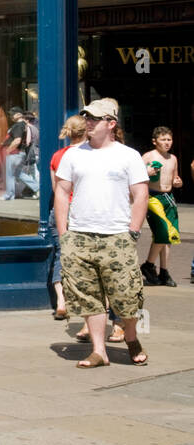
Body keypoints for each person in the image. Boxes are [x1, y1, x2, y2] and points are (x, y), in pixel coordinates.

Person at [55, 98, 150, 368]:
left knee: (126, 294)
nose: (89, 122)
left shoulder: (128, 155)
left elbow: (140, 194)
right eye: (87, 118)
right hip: (80, 235)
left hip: (116, 235)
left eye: (95, 119)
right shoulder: (73, 154)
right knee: (88, 295)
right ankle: (99, 351)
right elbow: (62, 192)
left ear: (111, 124)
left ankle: (131, 338)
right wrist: (65, 233)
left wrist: (133, 230)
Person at [50, 115, 88, 320]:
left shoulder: (58, 155)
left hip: (60, 210)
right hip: (81, 211)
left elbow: (57, 190)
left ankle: (61, 302)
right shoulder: (90, 155)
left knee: (60, 256)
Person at [141, 126, 181, 288]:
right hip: (153, 197)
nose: (167, 143)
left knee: (169, 237)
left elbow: (175, 179)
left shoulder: (173, 158)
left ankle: (164, 271)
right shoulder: (148, 156)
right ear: (154, 141)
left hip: (168, 198)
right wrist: (146, 172)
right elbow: (135, 175)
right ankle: (149, 265)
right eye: (163, 139)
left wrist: (178, 182)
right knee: (163, 232)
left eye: (169, 139)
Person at [3, 107, 31, 200]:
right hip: (20, 153)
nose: (10, 116)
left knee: (10, 174)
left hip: (14, 153)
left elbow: (17, 140)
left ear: (19, 114)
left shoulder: (19, 125)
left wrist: (8, 150)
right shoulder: (24, 125)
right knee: (19, 174)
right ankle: (37, 187)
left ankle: (9, 194)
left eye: (12, 114)